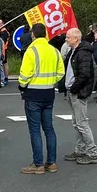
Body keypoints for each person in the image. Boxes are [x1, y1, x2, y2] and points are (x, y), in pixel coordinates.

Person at [18, 23, 64, 175]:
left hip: (33, 93)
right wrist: (51, 81)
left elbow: (25, 74)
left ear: (33, 35)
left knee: (35, 130)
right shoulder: (54, 50)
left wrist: (22, 86)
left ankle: (38, 164)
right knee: (49, 128)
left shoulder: (31, 51)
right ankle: (51, 163)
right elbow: (61, 72)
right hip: (48, 92)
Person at [61, 27, 97, 164]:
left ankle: (92, 153)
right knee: (76, 123)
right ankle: (80, 150)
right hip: (72, 90)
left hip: (78, 92)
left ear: (76, 38)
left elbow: (84, 74)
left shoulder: (83, 53)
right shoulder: (74, 51)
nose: (66, 39)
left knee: (82, 123)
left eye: (68, 37)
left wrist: (75, 88)